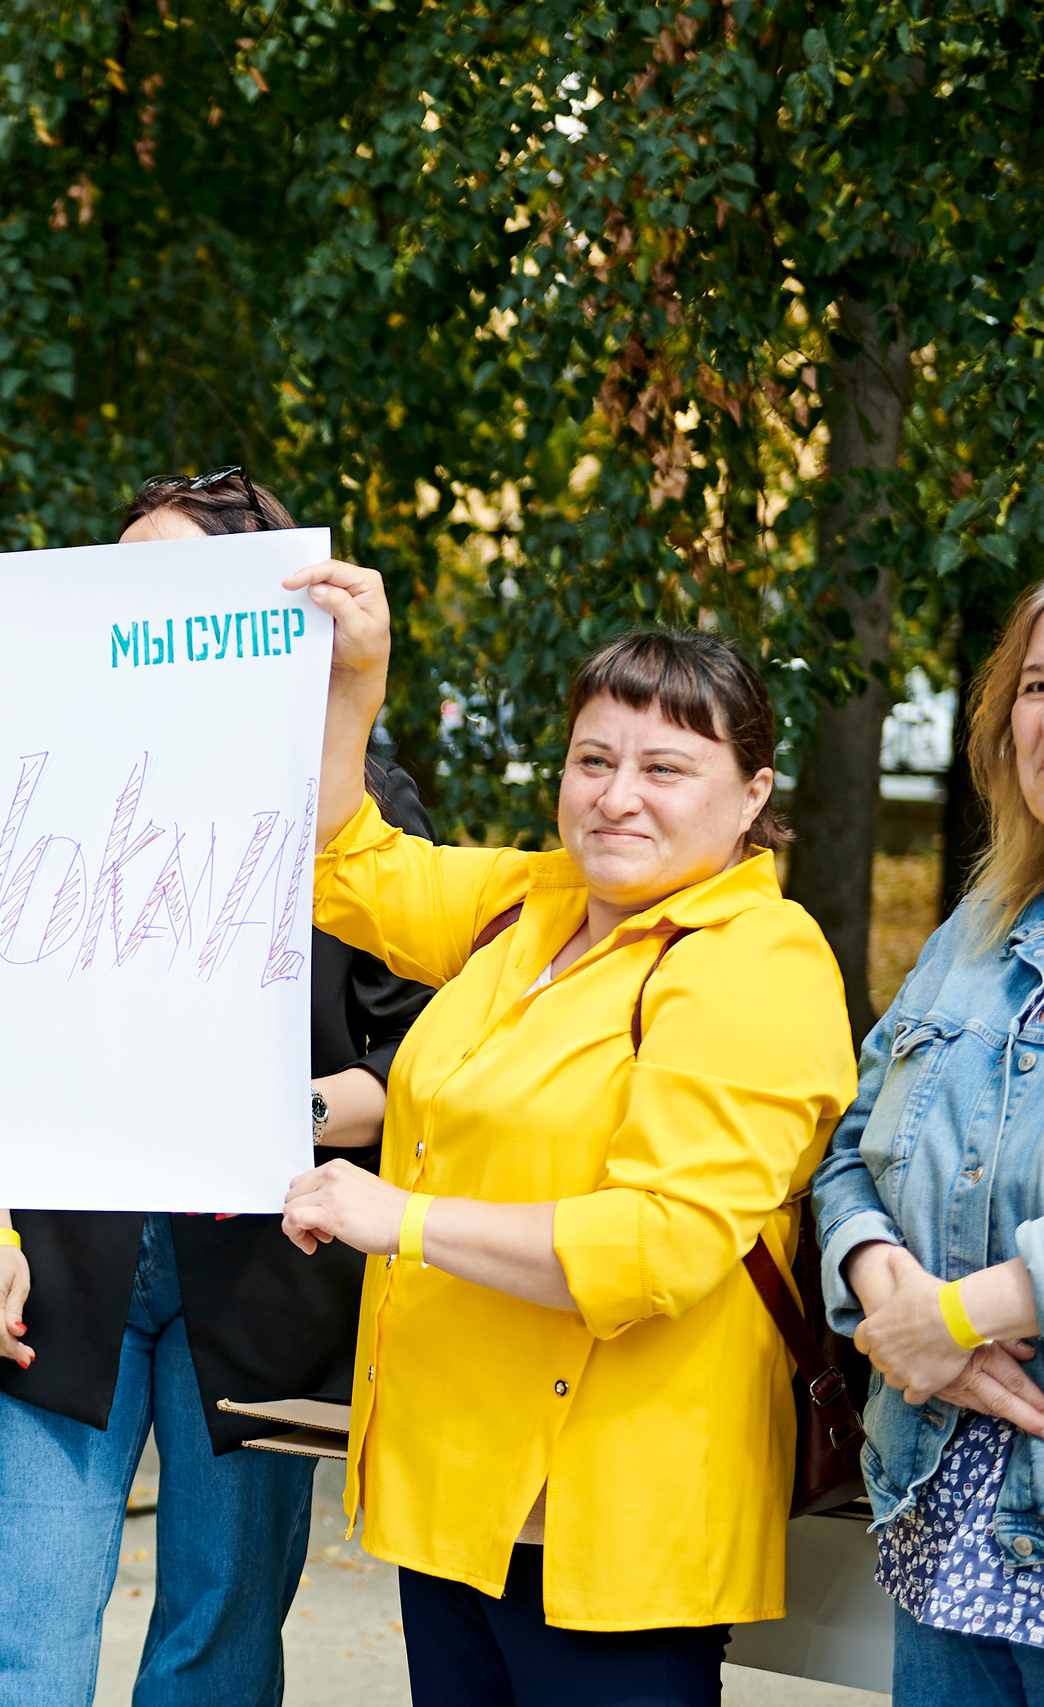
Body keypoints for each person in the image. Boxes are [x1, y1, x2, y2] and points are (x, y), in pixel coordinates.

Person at [278, 557, 857, 1704]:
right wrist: (357, 686)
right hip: (457, 1502)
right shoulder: (533, 904)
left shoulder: (756, 962)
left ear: (751, 795)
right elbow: (346, 865)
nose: (615, 795)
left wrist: (399, 1218)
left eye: (664, 768)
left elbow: (655, 1244)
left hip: (609, 1529)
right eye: (593, 760)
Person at [0, 470, 436, 1706]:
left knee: (217, 1653)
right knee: (11, 1647)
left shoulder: (361, 804)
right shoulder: (36, 769)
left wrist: (285, 1119)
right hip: (51, 1257)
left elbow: (419, 1065)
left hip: (267, 1269)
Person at [814, 577, 1044, 1703]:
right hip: (943, 1527)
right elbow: (851, 1148)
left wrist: (949, 1320)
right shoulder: (972, 932)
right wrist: (880, 1284)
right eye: (1039, 686)